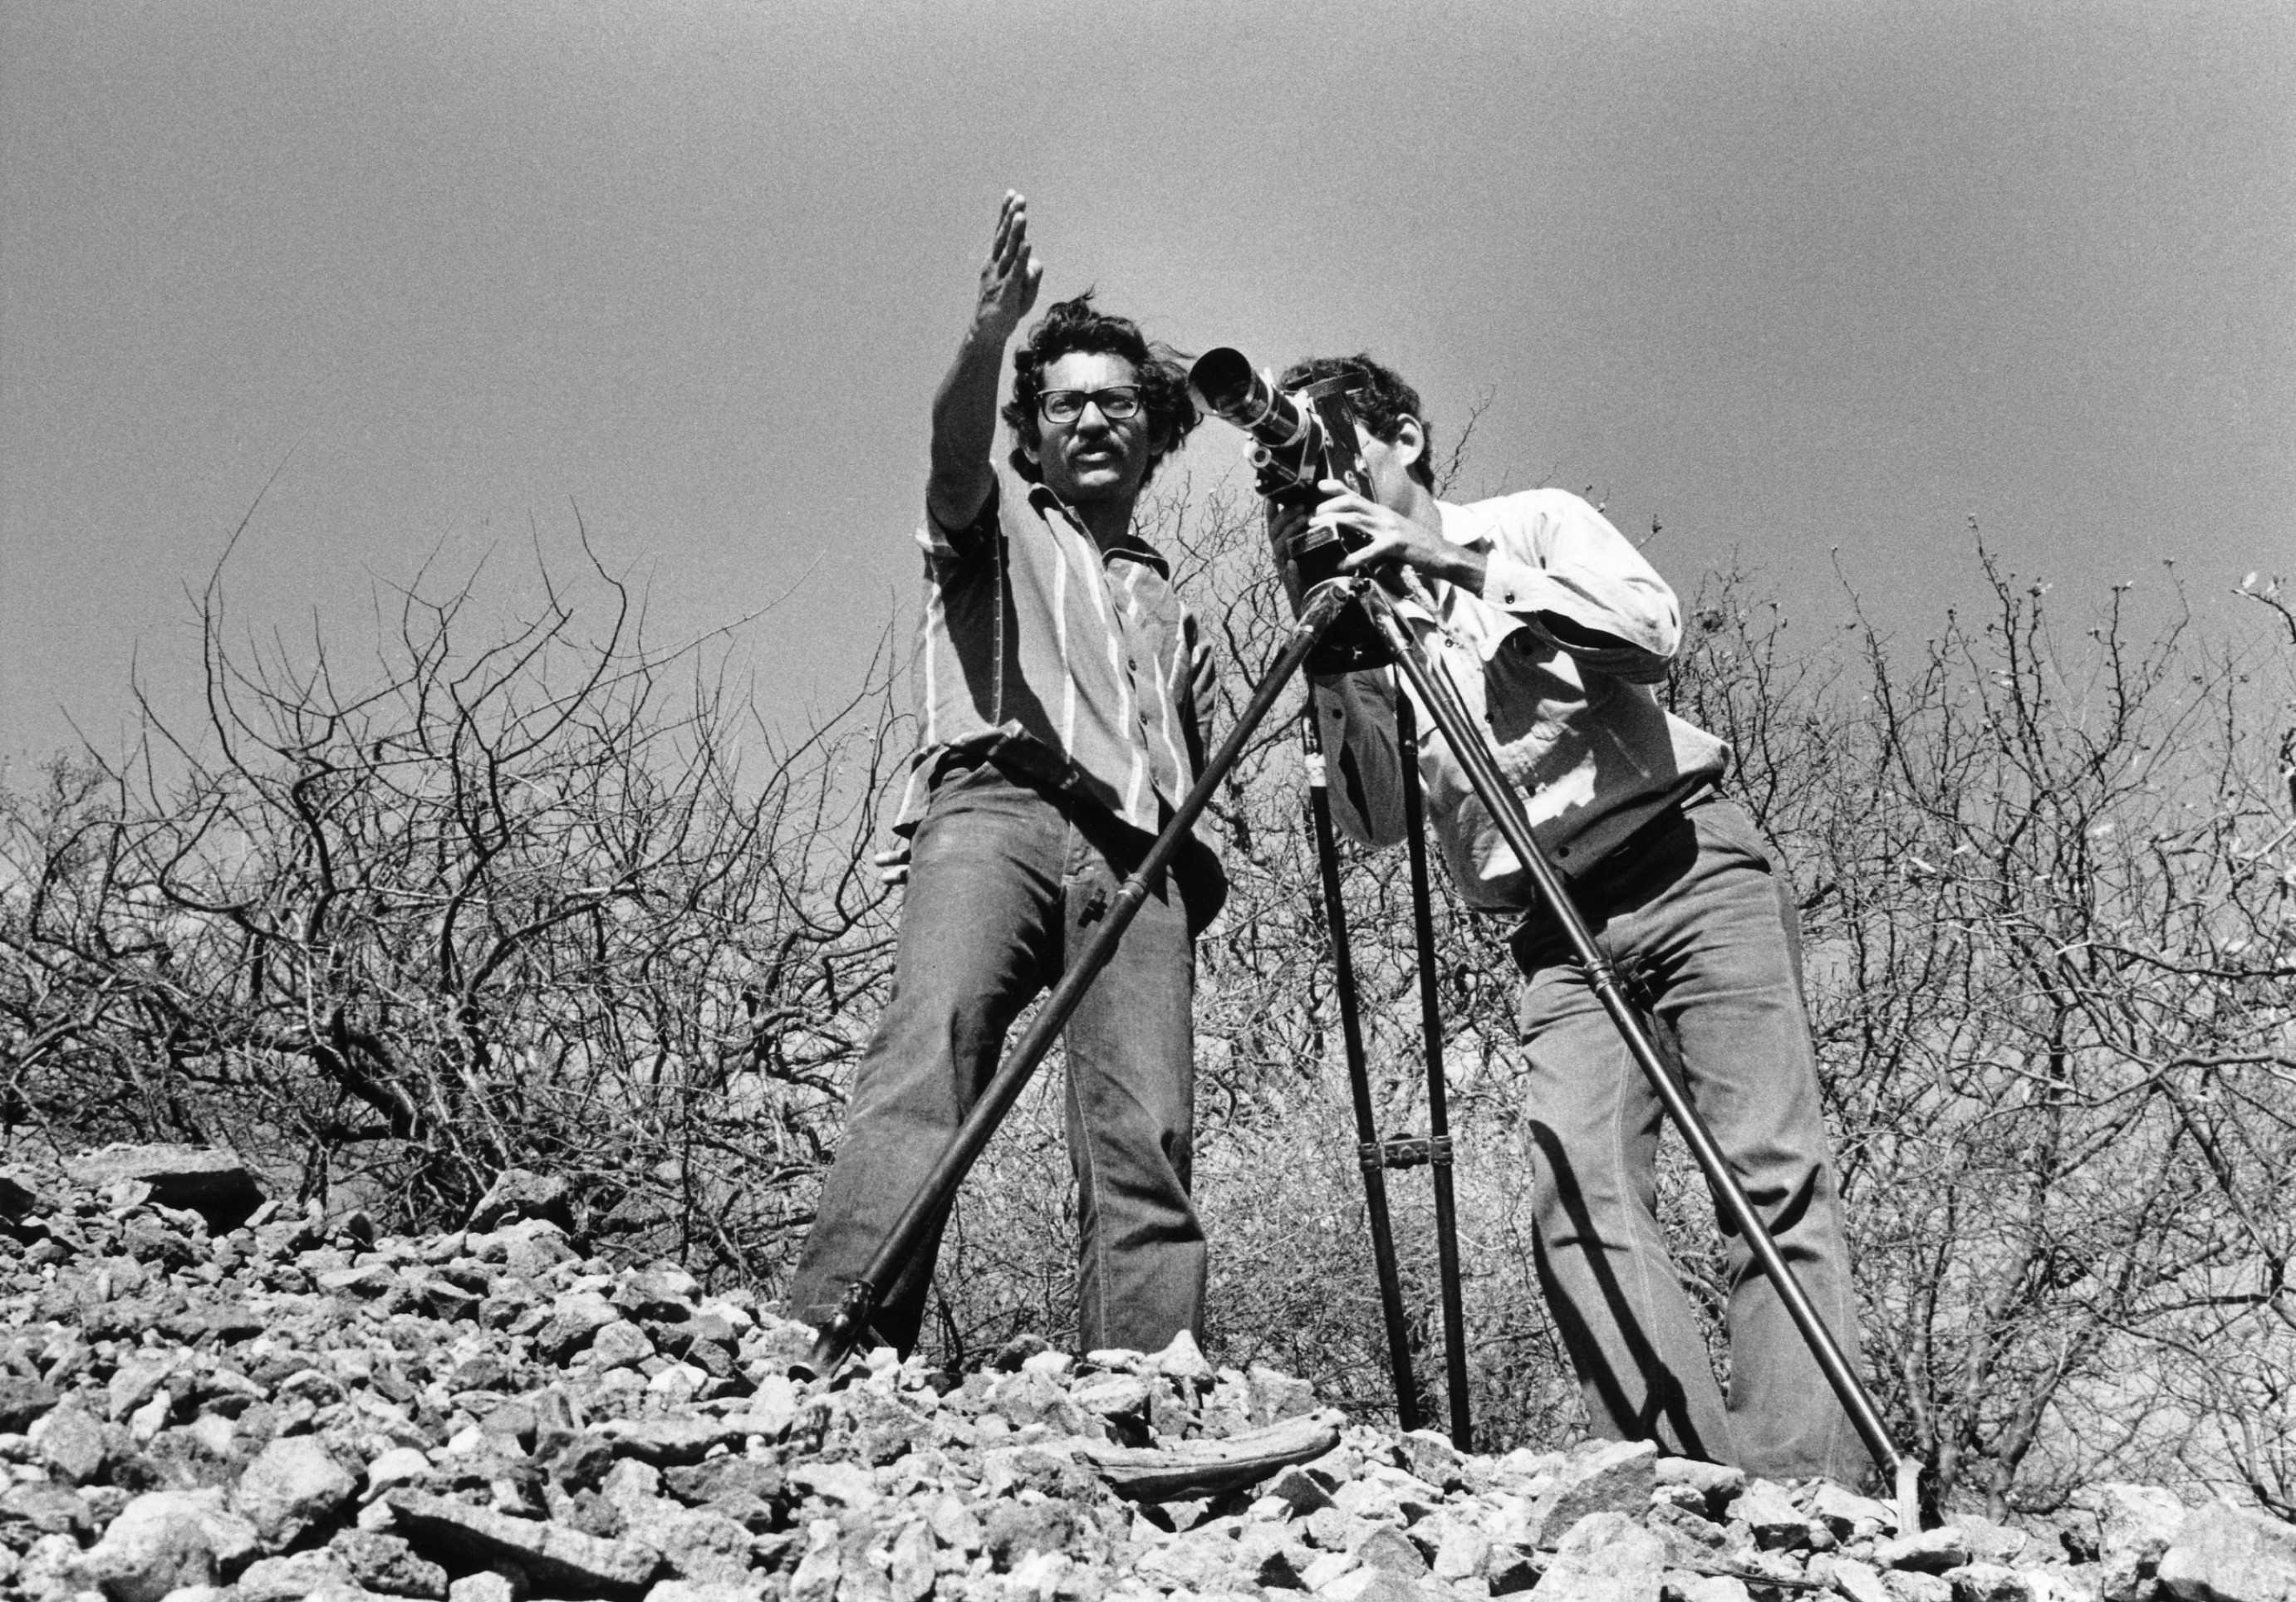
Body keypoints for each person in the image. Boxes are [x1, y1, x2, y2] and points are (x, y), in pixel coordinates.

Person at [1273, 352, 1865, 1484]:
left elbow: (1653, 630)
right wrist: (1338, 652)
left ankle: (1811, 1491)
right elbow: (1377, 819)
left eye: (1334, 434)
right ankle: (1685, 1485)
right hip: (1553, 932)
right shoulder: (1363, 621)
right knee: (1575, 1196)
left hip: (1688, 865)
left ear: (1405, 434)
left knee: (1769, 1174)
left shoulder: (1530, 523)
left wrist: (1452, 562)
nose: (1322, 462)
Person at [785, 194, 1224, 1359]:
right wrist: (988, 338)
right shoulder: (989, 517)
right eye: (1065, 401)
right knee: (931, 1051)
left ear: (1154, 430)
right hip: (997, 810)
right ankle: (831, 1344)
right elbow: (951, 450)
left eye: (1117, 401)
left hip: (1143, 864)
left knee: (1150, 1136)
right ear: (1030, 426)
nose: (1091, 419)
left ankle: (1146, 1391)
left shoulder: (1173, 606)